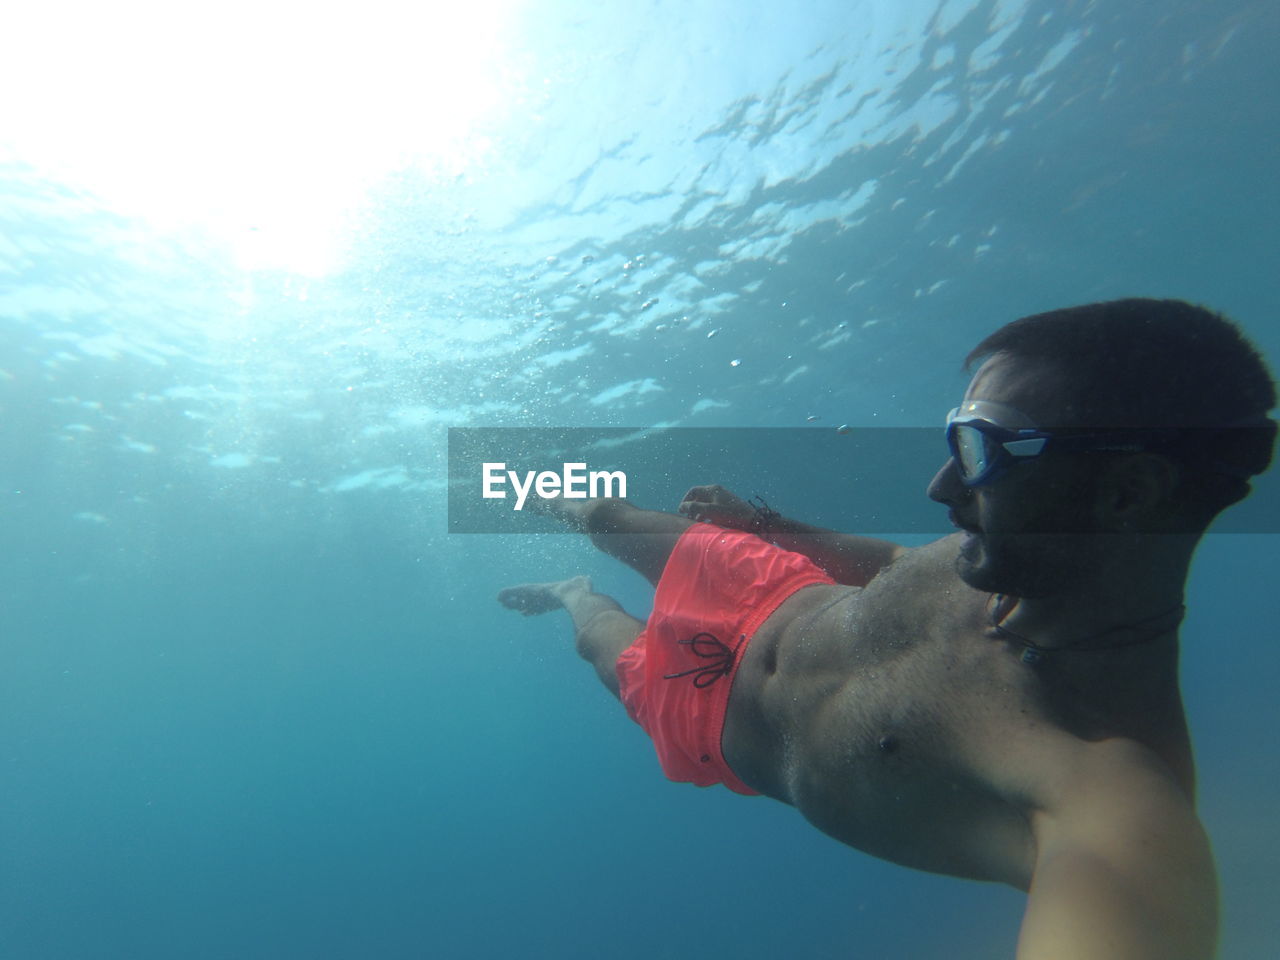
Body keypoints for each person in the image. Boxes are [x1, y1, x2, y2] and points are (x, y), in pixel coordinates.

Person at [497, 299, 1276, 960]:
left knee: (600, 640)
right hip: (766, 583)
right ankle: (526, 485)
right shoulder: (990, 556)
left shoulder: (1112, 794)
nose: (942, 485)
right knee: (607, 513)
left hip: (707, 714)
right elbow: (901, 562)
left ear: (1129, 492)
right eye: (954, 438)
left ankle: (568, 591)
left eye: (982, 450)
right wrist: (771, 525)